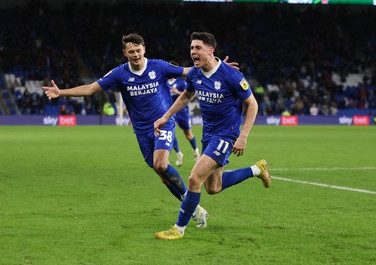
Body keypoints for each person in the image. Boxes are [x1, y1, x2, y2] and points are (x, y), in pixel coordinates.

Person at [43, 33, 214, 227]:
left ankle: (191, 204)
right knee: (164, 178)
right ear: (125, 53)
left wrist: (216, 67)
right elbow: (90, 89)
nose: (135, 54)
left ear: (144, 49)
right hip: (141, 131)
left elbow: (188, 71)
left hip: (164, 123)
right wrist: (61, 92)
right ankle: (195, 208)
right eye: (131, 51)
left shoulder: (159, 66)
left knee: (160, 165)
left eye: (138, 50)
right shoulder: (119, 73)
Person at [154, 32, 271, 240]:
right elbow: (186, 96)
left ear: (210, 50)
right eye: (191, 48)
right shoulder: (195, 74)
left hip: (226, 135)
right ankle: (257, 169)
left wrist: (243, 136)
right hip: (208, 134)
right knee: (213, 187)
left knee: (194, 178)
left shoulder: (231, 75)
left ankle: (178, 229)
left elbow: (252, 104)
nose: (193, 52)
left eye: (197, 48)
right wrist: (166, 116)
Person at [165, 61, 200, 167]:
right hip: (171, 112)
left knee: (188, 135)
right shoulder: (165, 82)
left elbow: (190, 96)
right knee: (171, 132)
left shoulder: (181, 82)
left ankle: (196, 151)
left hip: (183, 112)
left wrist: (177, 92)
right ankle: (179, 153)